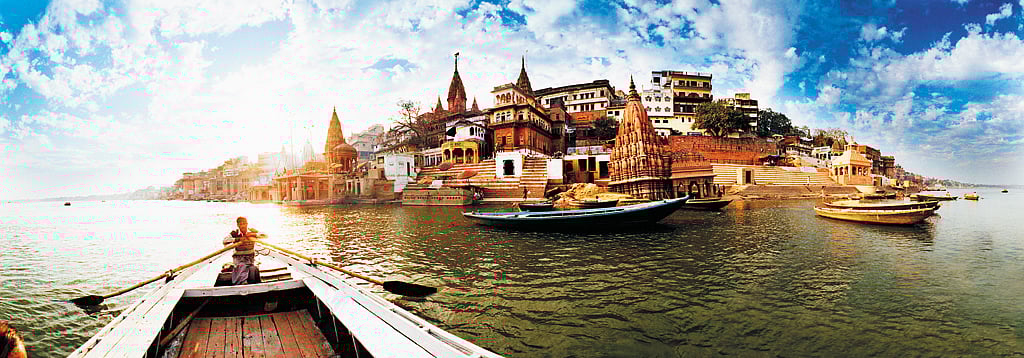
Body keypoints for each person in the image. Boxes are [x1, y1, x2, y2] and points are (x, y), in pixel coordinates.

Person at [222, 217, 265, 285]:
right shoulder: (234, 233)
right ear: (238, 225)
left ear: (247, 224)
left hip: (250, 257)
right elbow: (225, 241)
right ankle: (242, 283)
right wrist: (238, 239)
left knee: (253, 269)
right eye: (241, 224)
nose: (243, 226)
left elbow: (265, 236)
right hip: (238, 258)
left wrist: (253, 235)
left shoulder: (252, 231)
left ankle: (253, 283)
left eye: (244, 224)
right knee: (242, 267)